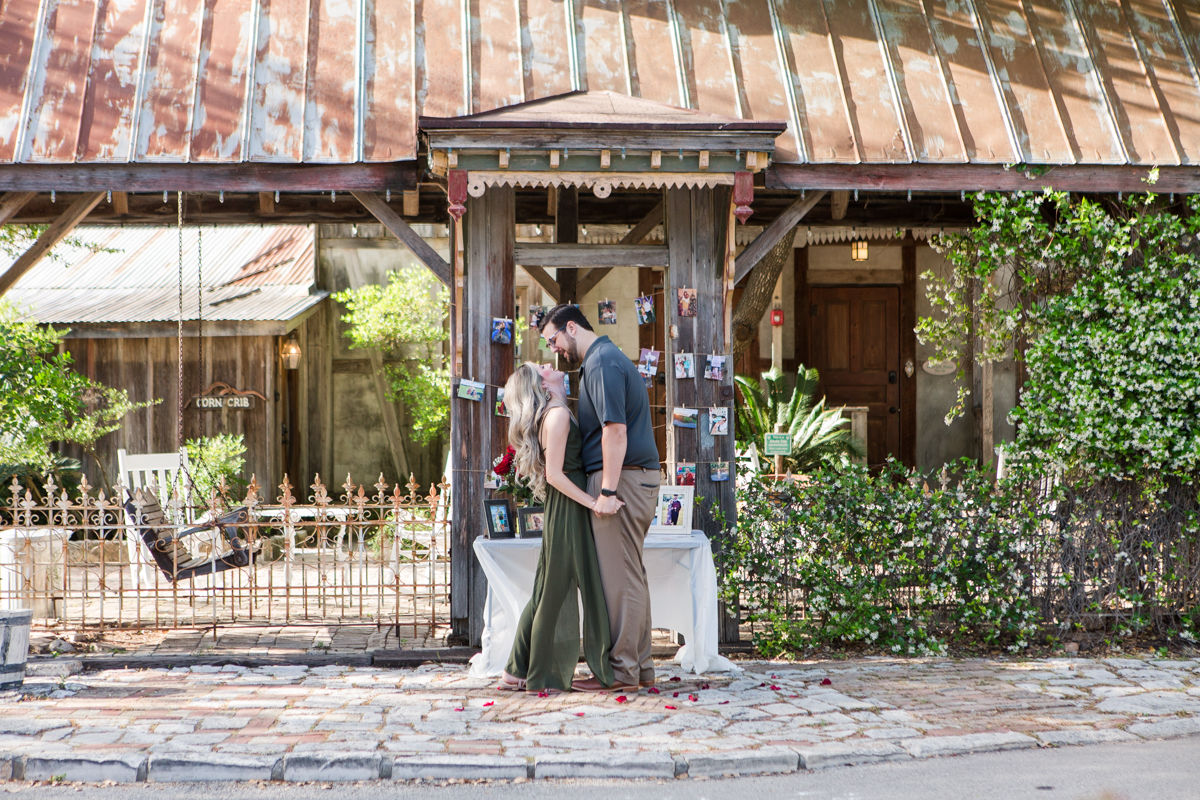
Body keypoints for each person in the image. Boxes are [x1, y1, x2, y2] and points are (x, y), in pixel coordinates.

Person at [538, 304, 661, 693]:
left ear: (571, 327)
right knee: (630, 576)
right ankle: (640, 668)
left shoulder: (602, 362)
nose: (554, 350)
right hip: (629, 479)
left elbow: (615, 431)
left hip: (621, 481)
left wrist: (606, 491)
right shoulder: (603, 359)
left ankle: (622, 672)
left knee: (619, 581)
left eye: (553, 339)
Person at [494, 362, 616, 695]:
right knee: (552, 590)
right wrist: (594, 503)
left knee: (549, 588)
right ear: (542, 384)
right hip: (568, 508)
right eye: (542, 367)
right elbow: (555, 475)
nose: (549, 363)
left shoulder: (561, 410)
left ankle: (516, 669)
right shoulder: (557, 417)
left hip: (568, 507)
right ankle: (529, 671)